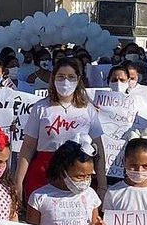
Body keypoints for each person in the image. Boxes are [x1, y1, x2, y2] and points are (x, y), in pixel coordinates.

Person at [16, 58, 106, 201]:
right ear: (53, 79)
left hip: (77, 172)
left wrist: (102, 184)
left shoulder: (88, 109)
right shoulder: (40, 108)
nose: (66, 81)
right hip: (43, 171)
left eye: (71, 77)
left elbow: (99, 149)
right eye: (61, 77)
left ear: (78, 80)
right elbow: (27, 148)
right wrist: (18, 183)